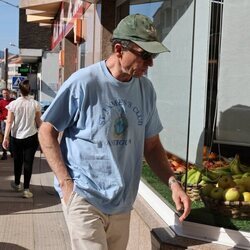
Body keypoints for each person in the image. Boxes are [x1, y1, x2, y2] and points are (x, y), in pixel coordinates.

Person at [38, 14, 191, 250]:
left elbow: (151, 146)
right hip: (85, 197)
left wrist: (172, 182)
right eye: (145, 55)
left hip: (122, 202)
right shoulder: (84, 82)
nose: (151, 64)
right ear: (119, 49)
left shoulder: (145, 89)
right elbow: (46, 131)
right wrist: (66, 183)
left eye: (154, 56)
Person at [2, 80, 42, 198]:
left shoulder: (13, 104)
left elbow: (9, 122)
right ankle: (26, 190)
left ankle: (17, 183)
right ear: (29, 91)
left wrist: (5, 138)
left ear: (19, 91)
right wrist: (44, 138)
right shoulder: (35, 104)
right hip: (31, 136)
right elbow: (39, 122)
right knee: (28, 163)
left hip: (16, 137)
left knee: (17, 162)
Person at [0, 88, 14, 160]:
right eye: (4, 93)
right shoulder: (1, 102)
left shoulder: (13, 101)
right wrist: (4, 117)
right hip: (4, 121)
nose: (5, 94)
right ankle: (4, 153)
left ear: (9, 93)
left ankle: (12, 152)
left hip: (12, 122)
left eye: (6, 93)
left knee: (12, 137)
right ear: (2, 94)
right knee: (4, 137)